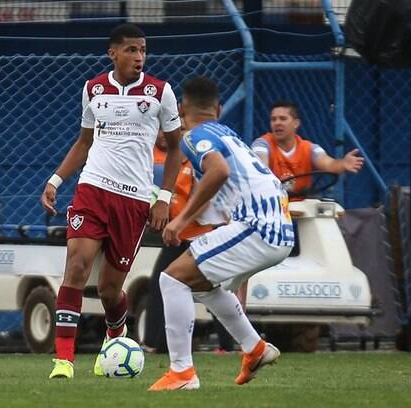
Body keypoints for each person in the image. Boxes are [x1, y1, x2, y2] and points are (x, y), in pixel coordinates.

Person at [40, 23, 182, 379]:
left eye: (143, 50)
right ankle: (64, 361)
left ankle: (116, 335)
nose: (139, 57)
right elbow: (84, 142)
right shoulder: (93, 89)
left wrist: (163, 197)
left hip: (133, 200)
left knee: (109, 288)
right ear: (113, 53)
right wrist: (56, 180)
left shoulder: (160, 92)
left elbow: (177, 147)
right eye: (132, 50)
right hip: (92, 189)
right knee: (76, 265)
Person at [148, 76, 294, 391]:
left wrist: (179, 220)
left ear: (182, 108)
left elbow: (219, 172)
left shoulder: (194, 136)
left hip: (257, 227)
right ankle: (255, 348)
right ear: (219, 107)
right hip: (277, 227)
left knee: (171, 278)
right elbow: (225, 182)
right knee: (199, 285)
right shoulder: (228, 134)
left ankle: (182, 373)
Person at [143, 129, 232, 354]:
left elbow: (204, 197)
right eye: (159, 130)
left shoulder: (196, 159)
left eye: (170, 130)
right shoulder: (153, 158)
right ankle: (156, 344)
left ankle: (227, 345)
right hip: (178, 236)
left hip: (198, 234)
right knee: (160, 283)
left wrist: (182, 221)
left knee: (212, 287)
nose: (163, 135)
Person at [252, 100, 364, 196]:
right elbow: (260, 168)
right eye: (273, 119)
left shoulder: (310, 148)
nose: (277, 123)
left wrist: (343, 164)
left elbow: (329, 164)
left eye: (282, 119)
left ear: (296, 123)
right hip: (273, 207)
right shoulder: (262, 144)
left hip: (303, 206)